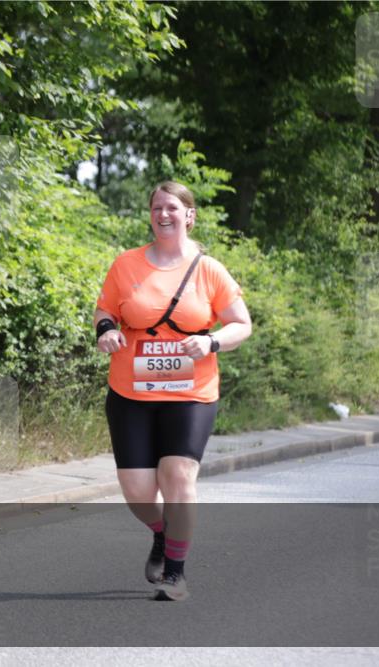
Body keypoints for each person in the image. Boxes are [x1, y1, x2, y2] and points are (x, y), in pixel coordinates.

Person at [94, 181, 252, 601]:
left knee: (179, 477)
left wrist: (212, 341)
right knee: (138, 494)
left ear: (189, 215)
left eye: (172, 208)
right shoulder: (125, 265)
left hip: (190, 393)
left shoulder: (209, 269)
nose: (164, 214)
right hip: (131, 392)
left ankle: (176, 574)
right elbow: (105, 309)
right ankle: (163, 534)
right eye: (156, 208)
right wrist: (105, 331)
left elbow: (241, 323)